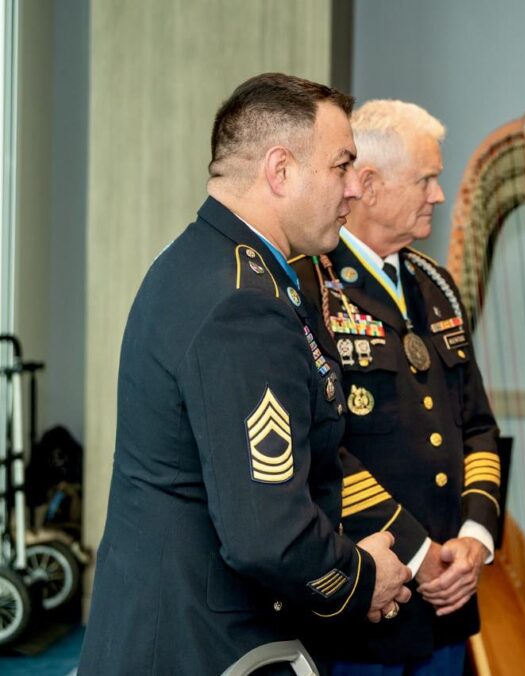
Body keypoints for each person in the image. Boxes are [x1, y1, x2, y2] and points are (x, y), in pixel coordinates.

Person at [78, 73, 413, 675]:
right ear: (280, 171)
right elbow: (266, 533)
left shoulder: (211, 261)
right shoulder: (243, 299)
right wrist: (363, 579)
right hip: (201, 644)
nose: (352, 191)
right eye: (341, 166)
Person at [292, 100, 501, 675]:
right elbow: (319, 448)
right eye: (426, 180)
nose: (438, 195)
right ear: (368, 185)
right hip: (367, 594)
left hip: (449, 591)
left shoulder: (435, 284)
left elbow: (478, 424)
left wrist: (475, 534)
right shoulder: (310, 286)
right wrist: (415, 549)